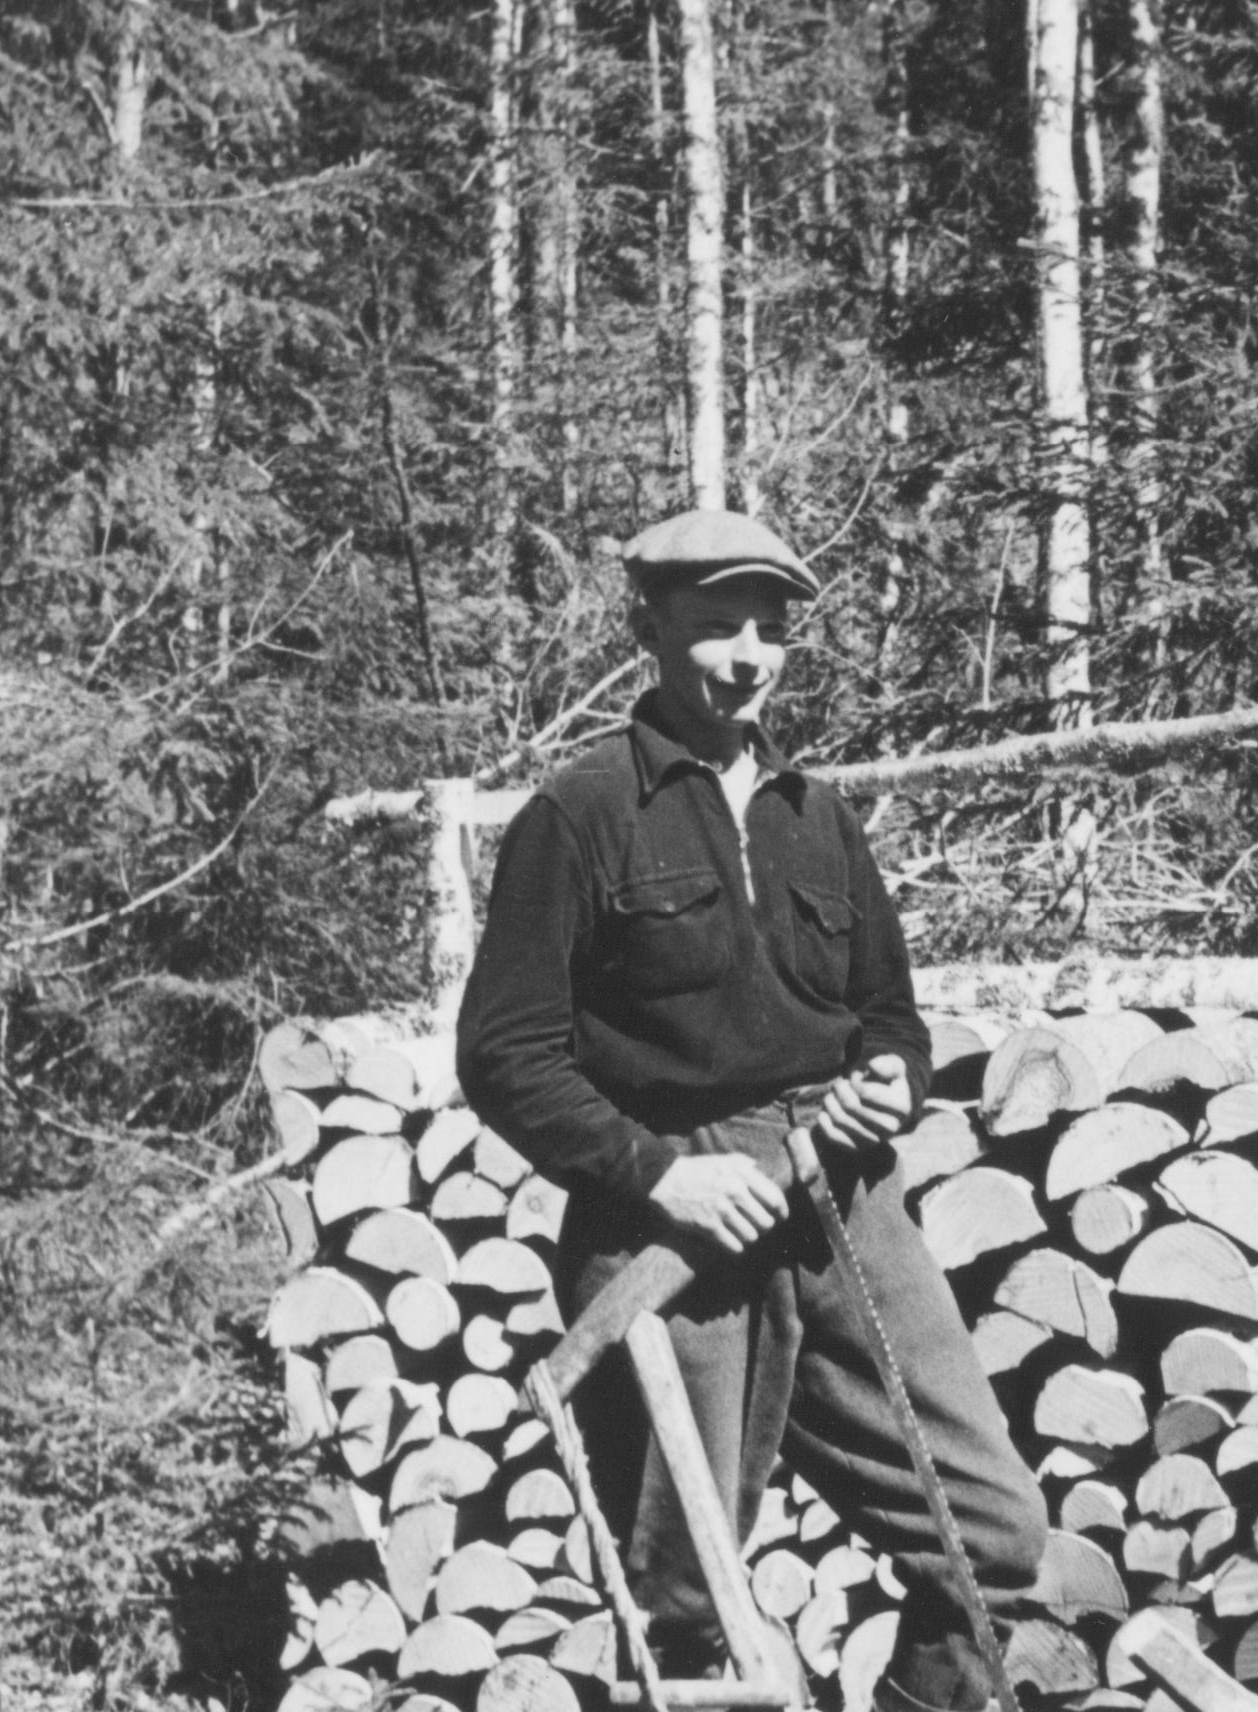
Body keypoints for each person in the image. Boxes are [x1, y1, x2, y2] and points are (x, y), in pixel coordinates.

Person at [456, 508, 1043, 1712]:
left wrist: (891, 1081)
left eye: (768, 631)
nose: (747, 657)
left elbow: (891, 1019)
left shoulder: (816, 815)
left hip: (840, 1197)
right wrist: (656, 1173)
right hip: (675, 1226)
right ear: (647, 628)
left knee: (993, 1532)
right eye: (716, 625)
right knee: (683, 1601)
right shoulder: (580, 813)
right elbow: (505, 1053)